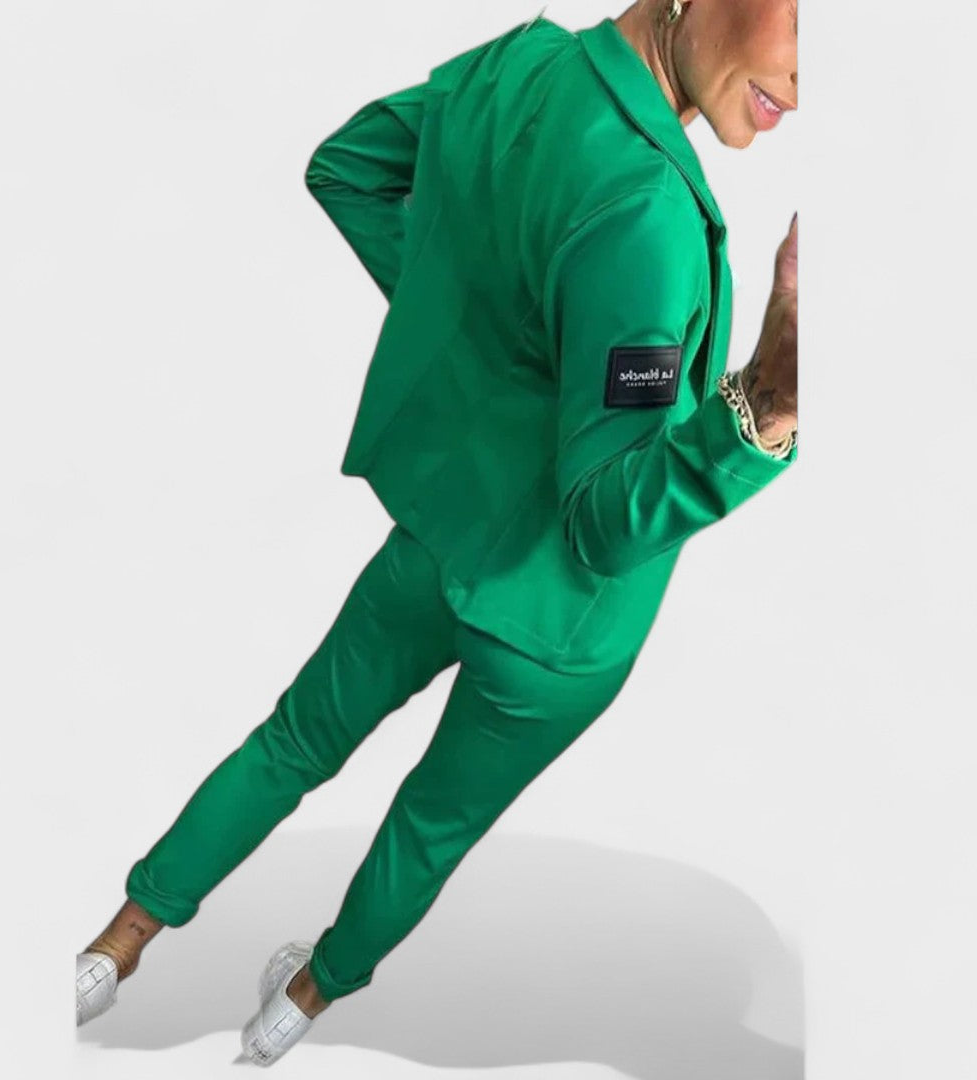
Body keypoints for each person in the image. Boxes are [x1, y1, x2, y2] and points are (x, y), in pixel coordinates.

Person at [75, 0, 799, 1067]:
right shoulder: (648, 214)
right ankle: (297, 1009)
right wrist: (760, 411)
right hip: (559, 632)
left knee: (292, 742)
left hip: (439, 540)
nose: (809, 78)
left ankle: (112, 950)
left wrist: (466, 333)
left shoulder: (516, 70)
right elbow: (604, 525)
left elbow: (347, 167)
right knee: (429, 827)